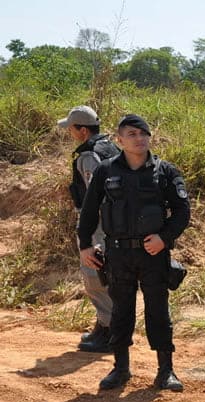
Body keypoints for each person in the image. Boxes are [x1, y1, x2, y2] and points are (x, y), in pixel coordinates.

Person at [78, 114, 191, 392]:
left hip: (153, 255)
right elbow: (90, 210)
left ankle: (166, 371)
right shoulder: (105, 171)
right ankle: (120, 368)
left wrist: (164, 239)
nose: (139, 139)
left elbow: (182, 212)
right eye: (132, 134)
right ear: (119, 140)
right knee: (121, 312)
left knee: (158, 312)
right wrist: (84, 245)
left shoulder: (165, 171)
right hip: (117, 255)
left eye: (143, 134)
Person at [58, 105, 120, 352]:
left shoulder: (88, 156)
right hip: (114, 222)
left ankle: (108, 331)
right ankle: (107, 326)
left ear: (82, 130)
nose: (70, 133)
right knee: (108, 275)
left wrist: (88, 231)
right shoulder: (110, 147)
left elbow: (96, 196)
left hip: (98, 224)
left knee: (95, 275)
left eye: (72, 129)